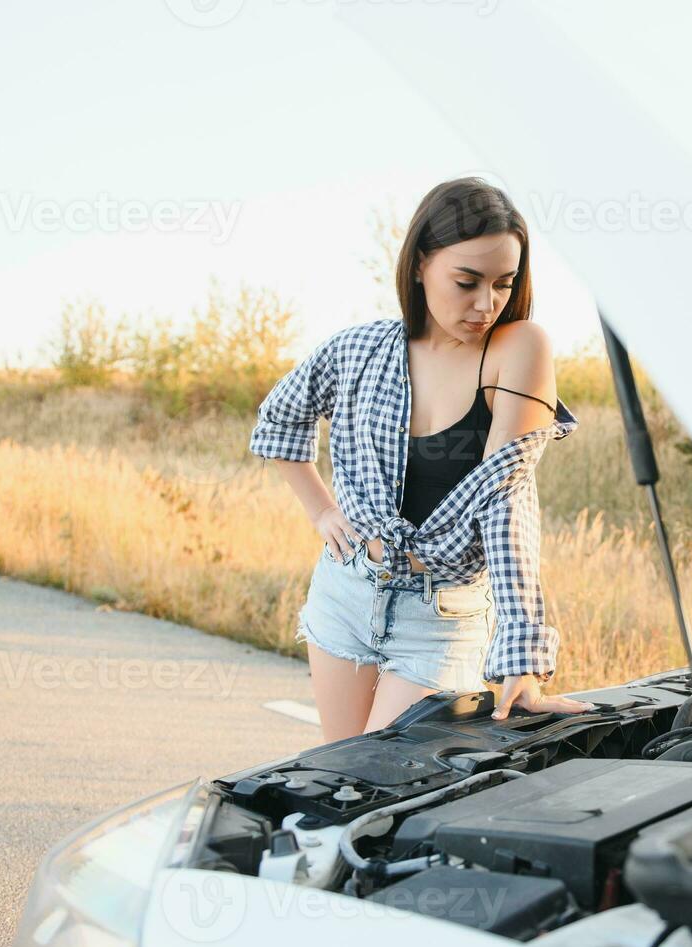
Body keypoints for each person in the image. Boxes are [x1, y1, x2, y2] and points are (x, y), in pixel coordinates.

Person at [249, 176, 597, 742]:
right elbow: (278, 419)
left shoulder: (520, 348)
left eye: (503, 284)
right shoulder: (358, 350)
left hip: (442, 618)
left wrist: (522, 656)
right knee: (341, 778)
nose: (486, 304)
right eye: (467, 282)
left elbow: (507, 502)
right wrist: (321, 511)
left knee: (387, 781)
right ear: (419, 265)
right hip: (347, 590)